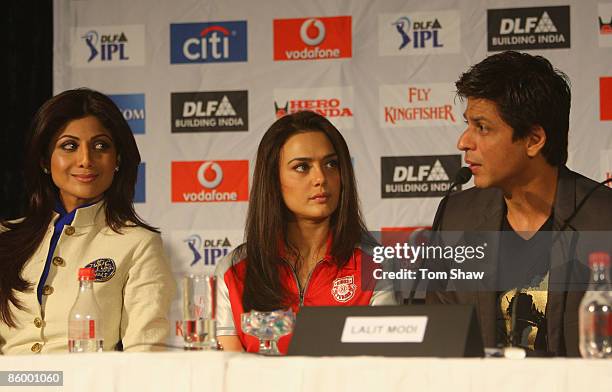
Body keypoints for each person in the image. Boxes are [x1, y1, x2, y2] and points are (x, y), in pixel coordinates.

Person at [425, 51, 612, 356]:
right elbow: (435, 335)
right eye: (467, 124)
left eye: (482, 127)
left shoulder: (604, 220)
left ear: (533, 139)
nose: (463, 141)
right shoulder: (456, 216)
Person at [0, 88, 176, 354]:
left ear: (117, 160)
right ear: (45, 161)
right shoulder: (5, 237)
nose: (85, 160)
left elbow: (145, 354)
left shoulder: (139, 244)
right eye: (69, 146)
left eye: (101, 146)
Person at [215, 111, 398, 353]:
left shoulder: (374, 264)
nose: (321, 178)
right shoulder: (235, 270)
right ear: (273, 179)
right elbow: (230, 370)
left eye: (331, 164)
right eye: (302, 167)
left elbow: (384, 362)